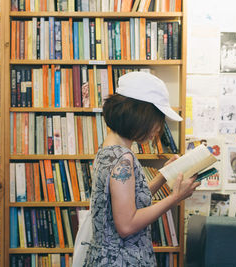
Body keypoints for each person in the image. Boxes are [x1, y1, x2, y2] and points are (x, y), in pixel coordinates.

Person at [83, 71, 201, 266]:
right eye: (157, 120)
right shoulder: (123, 159)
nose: (158, 129)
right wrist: (175, 198)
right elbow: (127, 225)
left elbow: (130, 199)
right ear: (139, 115)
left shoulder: (109, 150)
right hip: (121, 261)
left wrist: (163, 175)